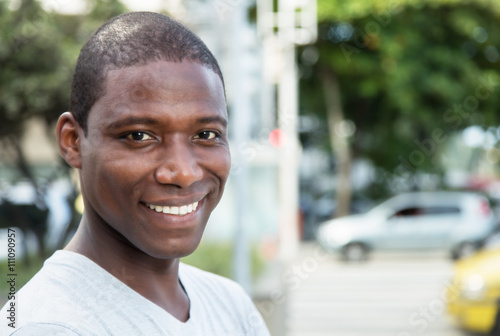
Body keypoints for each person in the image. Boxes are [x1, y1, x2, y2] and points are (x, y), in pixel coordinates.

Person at [1, 11, 270, 336]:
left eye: (206, 135)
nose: (183, 172)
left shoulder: (231, 305)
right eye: (139, 136)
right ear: (72, 141)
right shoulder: (50, 327)